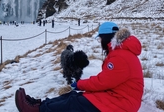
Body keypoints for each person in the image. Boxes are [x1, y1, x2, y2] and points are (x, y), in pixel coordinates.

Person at [15, 21, 144, 112]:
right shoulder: (120, 53)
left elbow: (102, 82)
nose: (100, 43)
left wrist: (79, 84)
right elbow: (107, 80)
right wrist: (79, 85)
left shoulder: (120, 56)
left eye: (100, 39)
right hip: (116, 96)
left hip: (122, 103)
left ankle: (36, 110)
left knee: (74, 102)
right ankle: (39, 105)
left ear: (106, 37)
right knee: (73, 96)